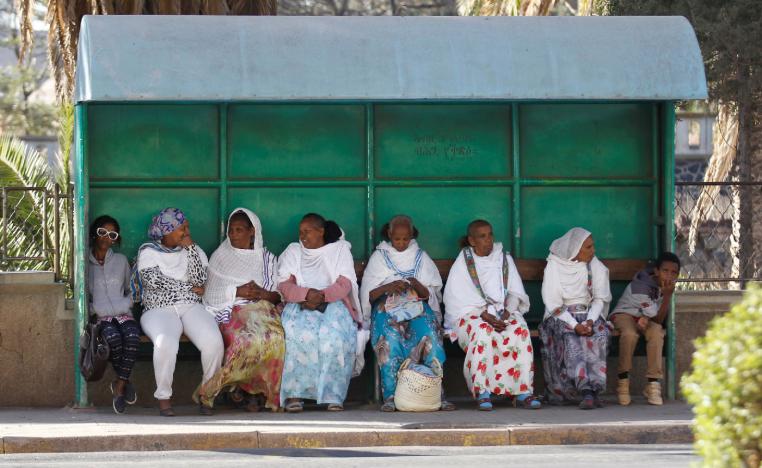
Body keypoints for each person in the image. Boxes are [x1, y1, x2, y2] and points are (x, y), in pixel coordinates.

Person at [134, 207, 224, 416]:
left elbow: (200, 281)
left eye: (187, 227)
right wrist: (189, 288)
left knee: (214, 342)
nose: (186, 232)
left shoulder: (195, 250)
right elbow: (154, 281)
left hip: (191, 306)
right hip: (158, 309)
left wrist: (191, 249)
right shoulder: (148, 251)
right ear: (166, 230)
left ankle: (207, 394)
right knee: (165, 342)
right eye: (181, 228)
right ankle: (164, 397)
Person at [443, 220, 540, 411]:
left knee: (519, 330)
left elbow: (514, 292)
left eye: (490, 235)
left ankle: (523, 391)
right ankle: (483, 392)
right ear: (471, 240)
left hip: (501, 312)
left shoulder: (503, 259)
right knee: (483, 332)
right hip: (471, 314)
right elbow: (456, 298)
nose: (488, 240)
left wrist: (506, 314)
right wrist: (483, 314)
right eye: (482, 236)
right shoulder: (464, 261)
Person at [361, 215, 455, 412]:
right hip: (386, 308)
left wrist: (414, 283)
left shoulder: (421, 257)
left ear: (412, 235)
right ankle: (391, 395)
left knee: (430, 334)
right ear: (389, 234)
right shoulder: (379, 257)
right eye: (397, 239)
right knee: (390, 338)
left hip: (417, 307)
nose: (402, 243)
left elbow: (428, 294)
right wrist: (389, 286)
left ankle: (434, 391)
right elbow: (370, 294)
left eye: (405, 239)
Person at [196, 208, 284, 412]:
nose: (234, 235)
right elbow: (210, 292)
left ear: (252, 231)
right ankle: (219, 389)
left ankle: (256, 392)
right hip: (229, 309)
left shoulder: (267, 258)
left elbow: (277, 294)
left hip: (261, 309)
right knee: (245, 341)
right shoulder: (220, 256)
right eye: (231, 231)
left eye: (239, 230)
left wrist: (260, 293)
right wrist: (237, 291)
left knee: (275, 339)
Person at [277, 213, 361, 412]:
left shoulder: (339, 250)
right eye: (301, 232)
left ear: (321, 231)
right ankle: (294, 394)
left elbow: (344, 283)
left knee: (333, 336)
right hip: (300, 302)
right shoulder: (293, 251)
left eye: (308, 231)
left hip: (333, 302)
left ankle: (333, 396)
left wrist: (321, 296)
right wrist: (306, 294)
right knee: (296, 334)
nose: (303, 236)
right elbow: (284, 285)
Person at [539, 227, 612, 410]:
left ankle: (594, 390)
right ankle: (584, 390)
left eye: (592, 246)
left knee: (600, 333)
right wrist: (575, 324)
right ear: (575, 249)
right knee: (572, 337)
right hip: (560, 316)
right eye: (588, 247)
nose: (592, 250)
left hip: (589, 314)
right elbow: (553, 303)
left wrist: (590, 321)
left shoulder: (594, 265)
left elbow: (599, 299)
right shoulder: (554, 266)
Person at [611, 252, 680, 406]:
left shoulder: (665, 286)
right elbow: (658, 318)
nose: (669, 275)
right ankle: (623, 383)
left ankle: (653, 384)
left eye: (674, 272)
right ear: (656, 271)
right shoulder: (641, 286)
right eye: (665, 271)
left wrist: (649, 316)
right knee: (630, 335)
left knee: (656, 332)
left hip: (645, 317)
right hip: (625, 315)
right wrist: (667, 296)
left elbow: (656, 322)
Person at [87, 215, 139, 414]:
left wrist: (126, 303)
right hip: (102, 317)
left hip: (123, 313)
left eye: (112, 235)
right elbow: (82, 295)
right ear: (95, 233)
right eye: (102, 232)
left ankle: (119, 385)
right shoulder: (85, 263)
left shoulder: (121, 261)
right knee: (112, 338)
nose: (106, 238)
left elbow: (130, 289)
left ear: (115, 239)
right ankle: (124, 382)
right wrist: (95, 309)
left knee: (132, 337)